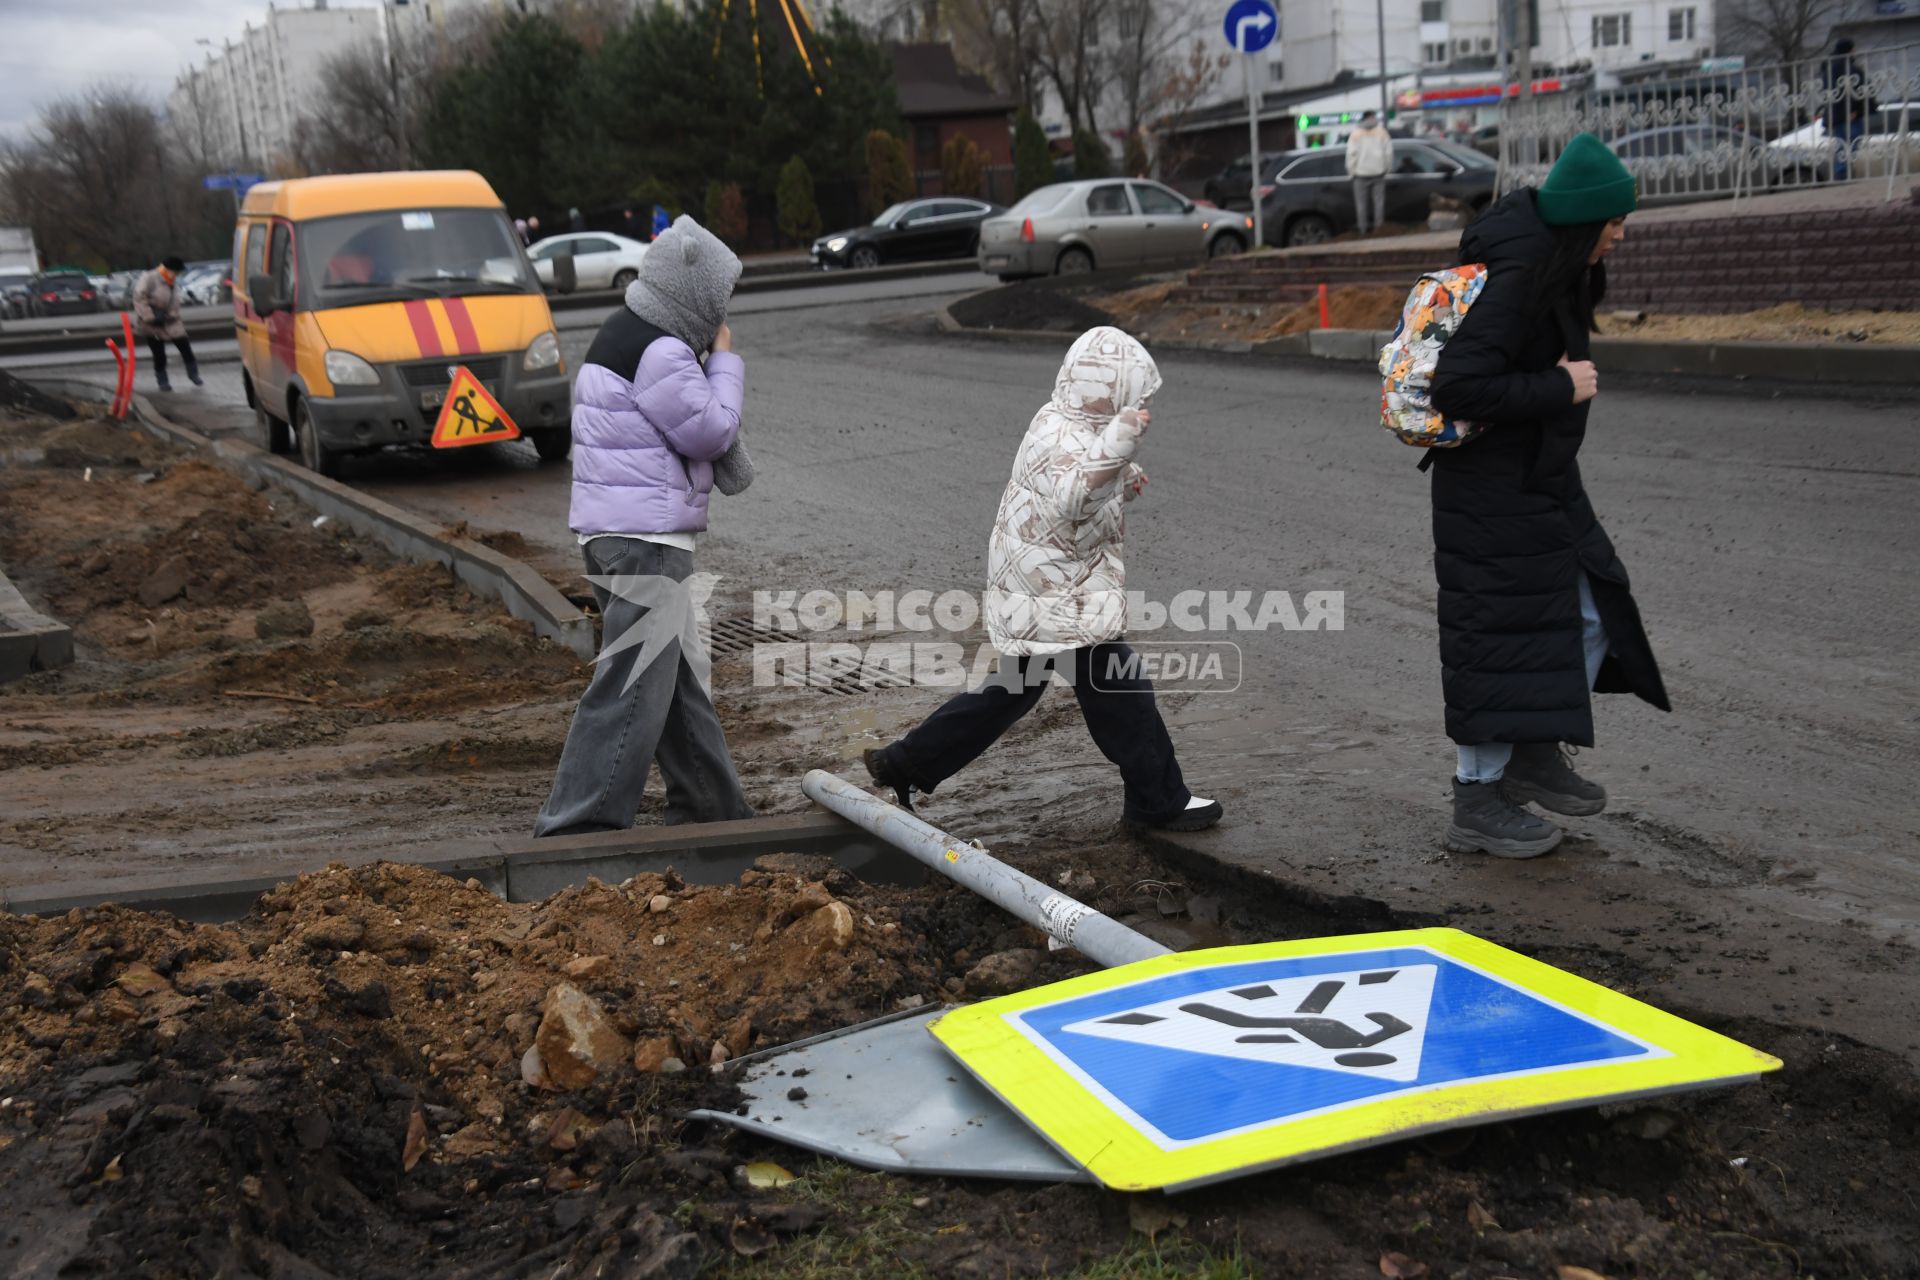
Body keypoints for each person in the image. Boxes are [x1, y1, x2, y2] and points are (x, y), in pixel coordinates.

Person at [863, 326, 1223, 833]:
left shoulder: (1059, 420)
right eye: (1133, 398)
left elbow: (1078, 488)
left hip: (1041, 592)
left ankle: (905, 763)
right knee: (1122, 687)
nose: (1140, 408)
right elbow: (1074, 497)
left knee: (1012, 690)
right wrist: (1123, 437)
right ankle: (1157, 801)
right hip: (1057, 600)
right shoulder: (1069, 435)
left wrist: (1120, 474)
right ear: (1107, 393)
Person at [1425, 132, 1670, 858]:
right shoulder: (1523, 266)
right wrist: (1560, 386)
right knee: (1493, 639)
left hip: (1540, 479)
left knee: (1590, 607)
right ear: (1582, 220)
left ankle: (1531, 749)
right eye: (1614, 222)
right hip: (1491, 488)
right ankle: (1476, 801)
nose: (1621, 236)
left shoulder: (1555, 263)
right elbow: (1459, 385)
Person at [535, 215, 757, 836]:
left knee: (675, 685)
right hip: (647, 542)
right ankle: (578, 827)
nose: (720, 316)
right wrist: (727, 363)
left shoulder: (621, 332)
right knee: (632, 687)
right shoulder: (661, 350)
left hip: (613, 536)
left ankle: (712, 808)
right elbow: (712, 430)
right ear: (694, 293)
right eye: (719, 300)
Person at [132, 256, 200, 392]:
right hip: (152, 323)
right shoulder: (150, 278)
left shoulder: (172, 281)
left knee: (185, 346)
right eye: (176, 272)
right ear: (168, 269)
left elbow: (173, 301)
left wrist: (173, 315)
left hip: (171, 321)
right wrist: (149, 316)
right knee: (159, 354)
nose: (177, 275)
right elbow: (139, 297)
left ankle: (194, 375)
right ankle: (163, 381)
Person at [1345, 110, 1393, 235]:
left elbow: (1351, 155)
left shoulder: (1355, 134)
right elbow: (1389, 153)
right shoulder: (1382, 133)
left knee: (1361, 205)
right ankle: (1379, 229)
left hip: (1360, 175)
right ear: (1373, 118)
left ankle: (1363, 230)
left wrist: (1351, 172)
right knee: (1379, 203)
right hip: (1379, 173)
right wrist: (1387, 169)